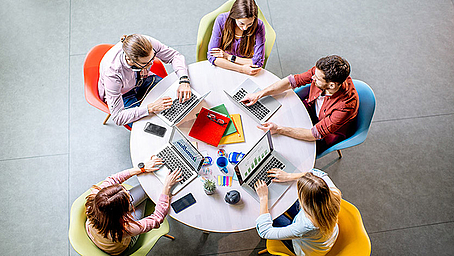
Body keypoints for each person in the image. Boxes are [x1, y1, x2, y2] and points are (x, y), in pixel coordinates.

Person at [241, 55, 359, 154]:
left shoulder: (345, 106)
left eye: (317, 78)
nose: (313, 77)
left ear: (332, 85)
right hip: (312, 108)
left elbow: (314, 134)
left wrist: (279, 129)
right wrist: (259, 94)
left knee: (288, 150)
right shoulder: (322, 72)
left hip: (326, 134)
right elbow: (292, 81)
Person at [85, 156, 181, 255]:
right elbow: (156, 220)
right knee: (149, 196)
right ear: (122, 213)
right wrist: (166, 188)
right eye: (128, 200)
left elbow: (114, 178)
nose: (129, 195)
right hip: (120, 245)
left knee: (148, 189)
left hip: (99, 231)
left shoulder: (95, 197)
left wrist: (141, 169)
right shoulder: (123, 230)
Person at [98, 34, 192, 127]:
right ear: (130, 60)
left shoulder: (146, 43)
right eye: (145, 63)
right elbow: (118, 117)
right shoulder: (112, 73)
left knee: (178, 98)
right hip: (123, 94)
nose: (151, 64)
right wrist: (151, 107)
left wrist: (184, 80)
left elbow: (174, 56)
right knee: (151, 127)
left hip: (143, 79)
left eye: (152, 58)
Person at [255, 168, 341, 256]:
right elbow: (317, 173)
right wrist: (288, 176)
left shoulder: (305, 226)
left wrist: (263, 197)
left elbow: (265, 231)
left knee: (274, 215)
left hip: (308, 249)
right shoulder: (334, 193)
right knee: (282, 204)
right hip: (325, 234)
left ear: (305, 202)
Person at [207, 0, 265, 75]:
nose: (245, 28)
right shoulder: (221, 20)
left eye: (250, 24)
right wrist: (241, 69)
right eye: (241, 23)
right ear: (235, 17)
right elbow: (212, 56)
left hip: (239, 65)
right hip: (227, 66)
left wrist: (228, 57)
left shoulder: (259, 25)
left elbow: (258, 62)